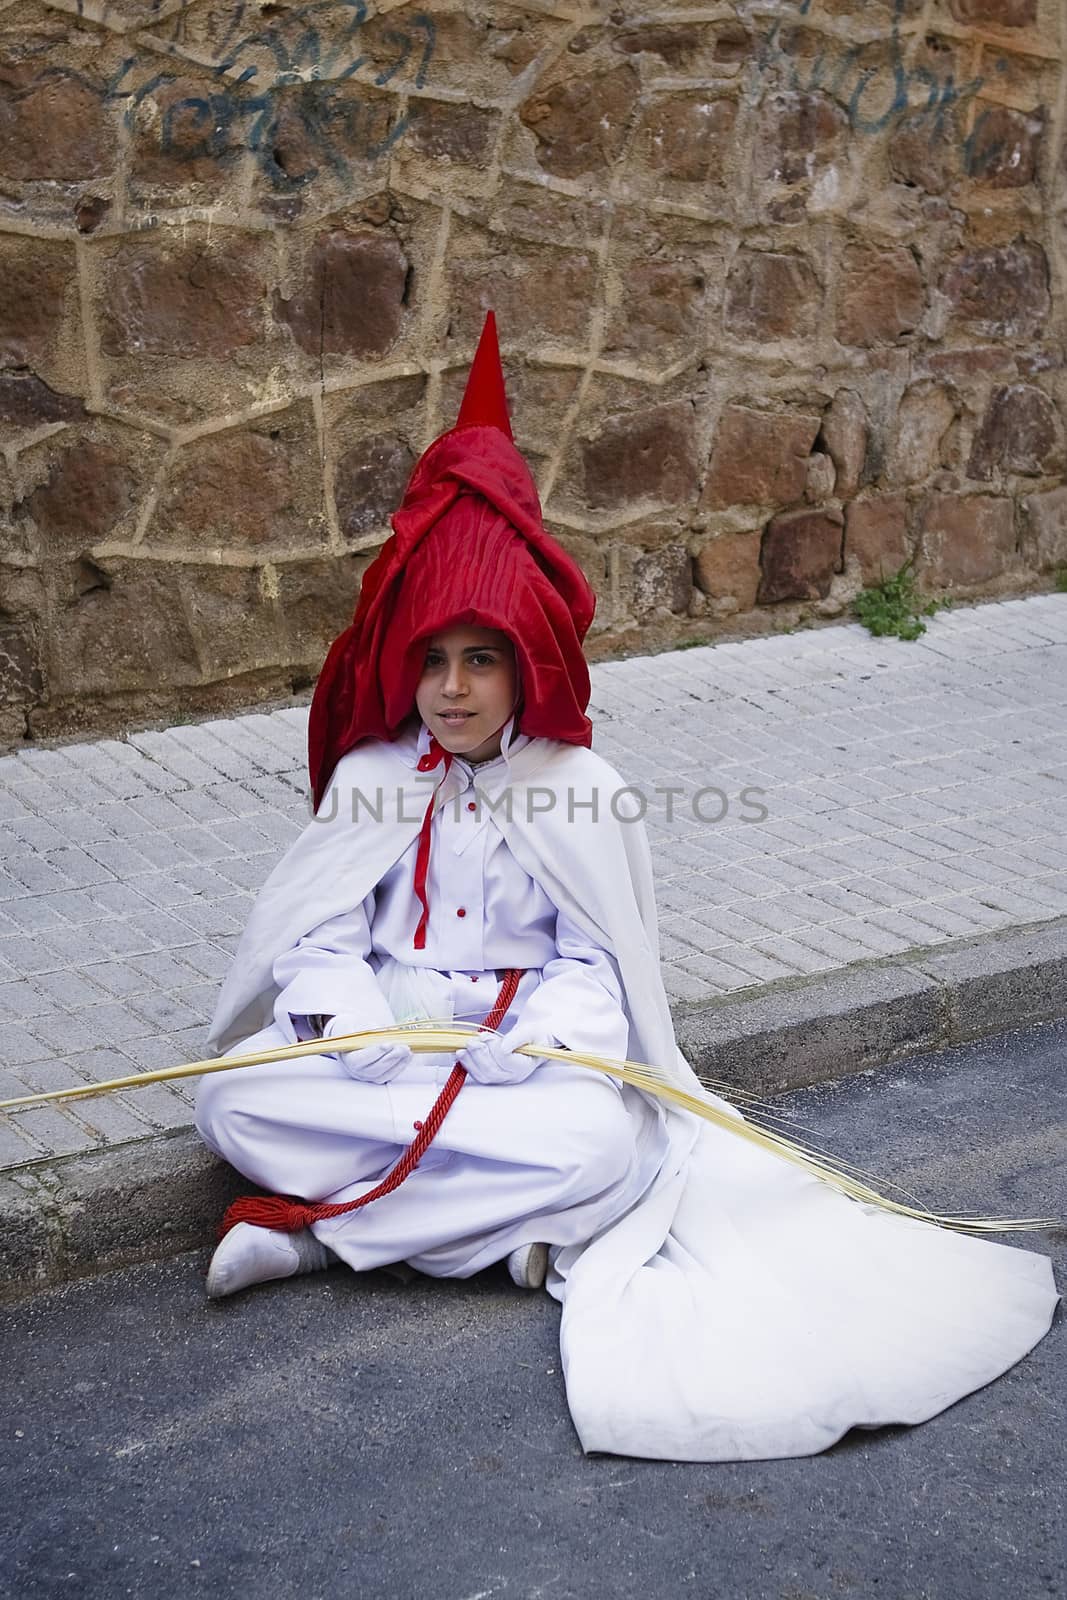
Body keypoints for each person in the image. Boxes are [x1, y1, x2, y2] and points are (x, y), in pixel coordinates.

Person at [196, 312, 1059, 1463]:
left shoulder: (579, 784)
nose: (451, 690)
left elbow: (598, 962)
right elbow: (312, 935)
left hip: (520, 1060)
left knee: (596, 1151)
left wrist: (539, 1038)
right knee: (233, 1097)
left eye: (480, 658)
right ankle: (495, 1241)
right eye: (432, 661)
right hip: (384, 1049)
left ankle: (324, 1235)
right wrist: (345, 1016)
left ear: (523, 663)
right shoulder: (370, 771)